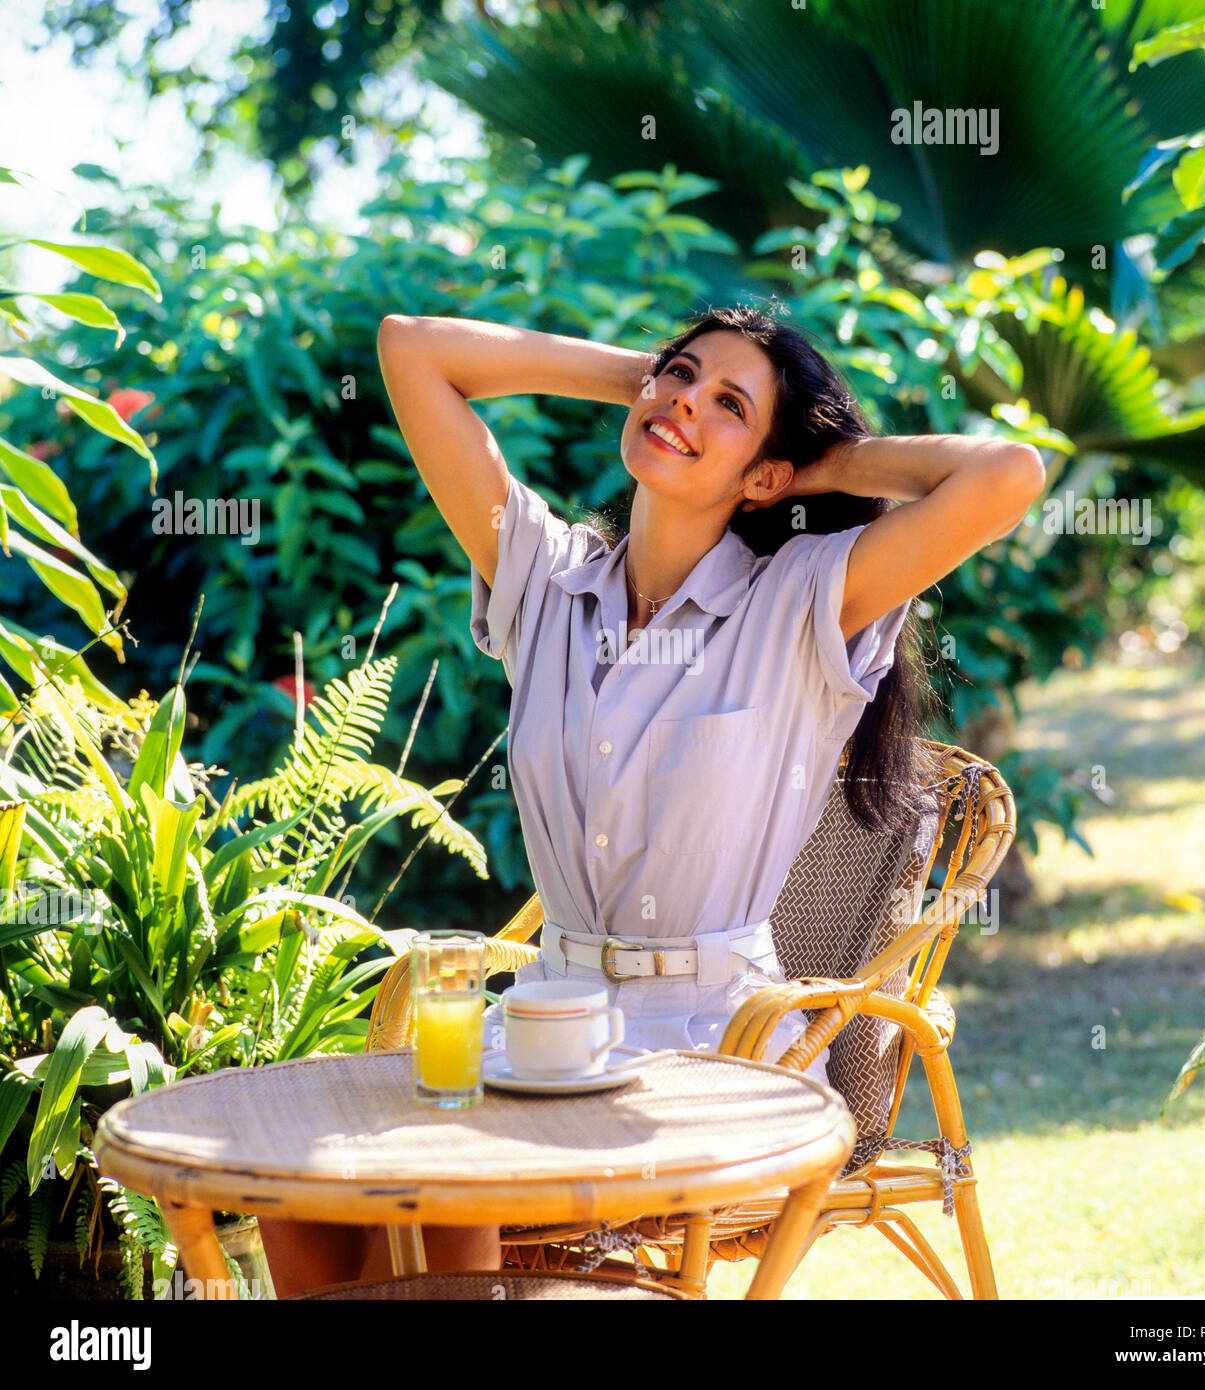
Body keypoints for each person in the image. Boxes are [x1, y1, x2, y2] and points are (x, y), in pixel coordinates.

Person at [257, 302, 1044, 1297]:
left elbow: (1007, 474)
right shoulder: (544, 577)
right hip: (541, 1026)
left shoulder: (801, 600)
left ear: (767, 474)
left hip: (712, 1047)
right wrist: (658, 385)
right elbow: (412, 349)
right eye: (677, 373)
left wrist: (814, 458)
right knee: (304, 1188)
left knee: (442, 1190)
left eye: (727, 402)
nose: (682, 399)